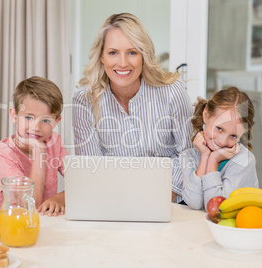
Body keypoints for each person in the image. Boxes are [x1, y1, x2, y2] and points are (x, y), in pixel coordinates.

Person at [72, 13, 193, 203]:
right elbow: (91, 167)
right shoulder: (84, 100)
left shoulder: (172, 92)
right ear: (102, 56)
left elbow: (188, 154)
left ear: (143, 56)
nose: (122, 63)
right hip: (113, 201)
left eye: (132, 52)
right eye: (113, 52)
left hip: (168, 200)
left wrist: (162, 198)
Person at [0, 76, 68, 216]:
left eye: (45, 120)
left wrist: (59, 199)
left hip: (44, 223)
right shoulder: (4, 156)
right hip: (12, 227)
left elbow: (80, 183)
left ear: (56, 122)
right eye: (28, 118)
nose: (36, 127)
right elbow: (29, 206)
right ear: (14, 115)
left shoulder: (55, 142)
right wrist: (38, 151)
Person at [180, 87, 258, 209]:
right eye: (219, 129)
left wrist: (213, 160)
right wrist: (205, 156)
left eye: (233, 136)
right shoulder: (189, 156)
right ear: (206, 115)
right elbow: (194, 202)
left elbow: (218, 208)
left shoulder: (244, 160)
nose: (222, 141)